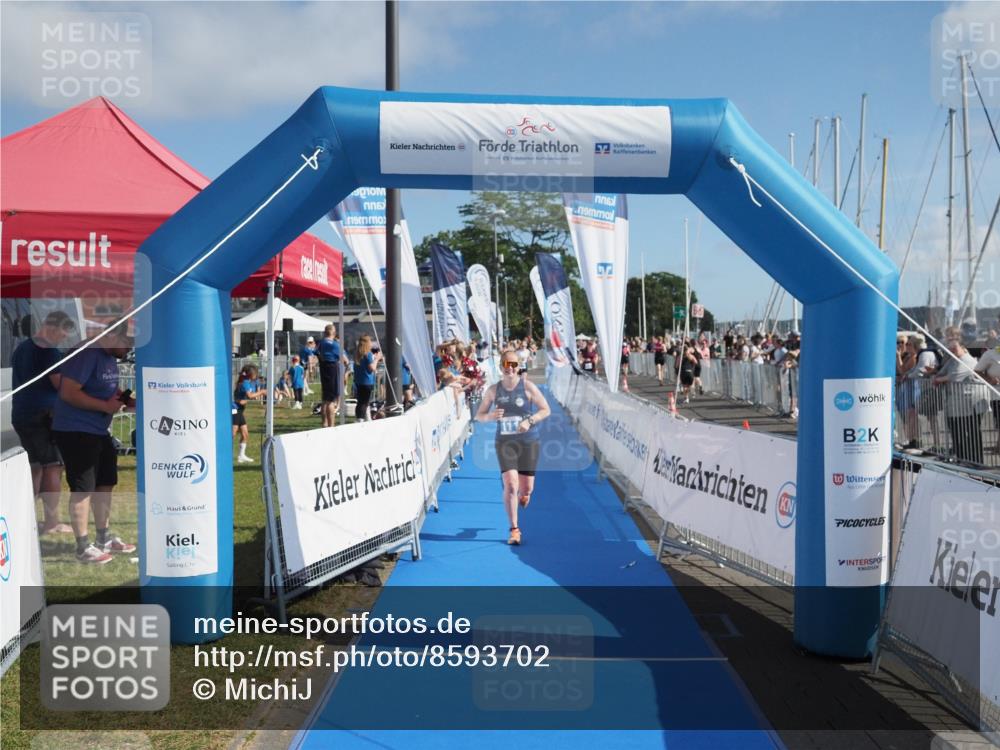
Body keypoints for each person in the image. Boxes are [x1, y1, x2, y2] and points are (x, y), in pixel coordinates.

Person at [52, 325, 136, 564]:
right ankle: (82, 547)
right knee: (83, 488)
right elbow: (68, 392)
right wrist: (104, 407)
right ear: (111, 335)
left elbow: (106, 386)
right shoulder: (87, 354)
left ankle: (104, 538)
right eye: (127, 341)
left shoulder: (108, 355)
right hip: (75, 430)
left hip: (98, 430)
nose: (130, 348)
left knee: (105, 483)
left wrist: (125, 399)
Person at [475, 349, 551, 546]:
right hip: (505, 443)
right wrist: (490, 416)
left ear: (519, 367)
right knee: (510, 484)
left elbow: (546, 410)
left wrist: (530, 420)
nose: (510, 368)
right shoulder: (493, 390)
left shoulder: (528, 387)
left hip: (528, 442)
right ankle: (514, 529)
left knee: (526, 488)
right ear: (501, 366)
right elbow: (479, 415)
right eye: (506, 364)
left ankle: (525, 496)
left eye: (514, 364)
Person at [11, 311, 76, 535]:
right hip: (42, 416)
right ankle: (52, 522)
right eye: (62, 334)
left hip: (21, 413)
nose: (62, 340)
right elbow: (60, 384)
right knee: (53, 466)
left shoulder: (22, 348)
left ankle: (24, 519)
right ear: (53, 327)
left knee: (36, 467)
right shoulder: (47, 350)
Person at [932, 330, 985, 465]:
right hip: (956, 405)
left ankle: (976, 460)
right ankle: (962, 458)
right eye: (950, 348)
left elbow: (954, 377)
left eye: (954, 348)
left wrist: (939, 380)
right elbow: (941, 372)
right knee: (957, 432)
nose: (952, 350)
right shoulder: (952, 360)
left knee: (971, 432)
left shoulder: (967, 360)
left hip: (970, 405)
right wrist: (939, 378)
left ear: (962, 347)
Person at [318, 324, 347, 428]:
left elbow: (320, 355)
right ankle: (331, 424)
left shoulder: (321, 343)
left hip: (323, 369)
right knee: (331, 400)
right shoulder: (335, 345)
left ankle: (324, 423)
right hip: (332, 369)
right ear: (334, 333)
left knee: (325, 399)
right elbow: (345, 360)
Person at [233, 364, 263, 462]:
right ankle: (222, 451)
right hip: (234, 410)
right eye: (255, 373)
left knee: (245, 434)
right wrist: (262, 392)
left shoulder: (248, 382)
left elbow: (246, 396)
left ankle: (241, 456)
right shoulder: (245, 382)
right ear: (251, 374)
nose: (256, 375)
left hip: (240, 410)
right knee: (232, 433)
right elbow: (250, 395)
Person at [353, 335, 381, 421]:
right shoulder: (368, 354)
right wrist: (377, 359)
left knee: (361, 402)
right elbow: (372, 368)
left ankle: (366, 418)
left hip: (358, 381)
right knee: (364, 402)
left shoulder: (357, 354)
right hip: (367, 382)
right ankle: (360, 419)